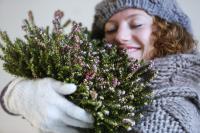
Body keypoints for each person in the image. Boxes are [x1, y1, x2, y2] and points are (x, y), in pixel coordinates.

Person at [1, 0, 200, 133]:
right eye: (111, 29)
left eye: (136, 24)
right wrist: (14, 95)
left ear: (168, 31)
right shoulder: (104, 84)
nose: (120, 37)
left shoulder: (166, 113)